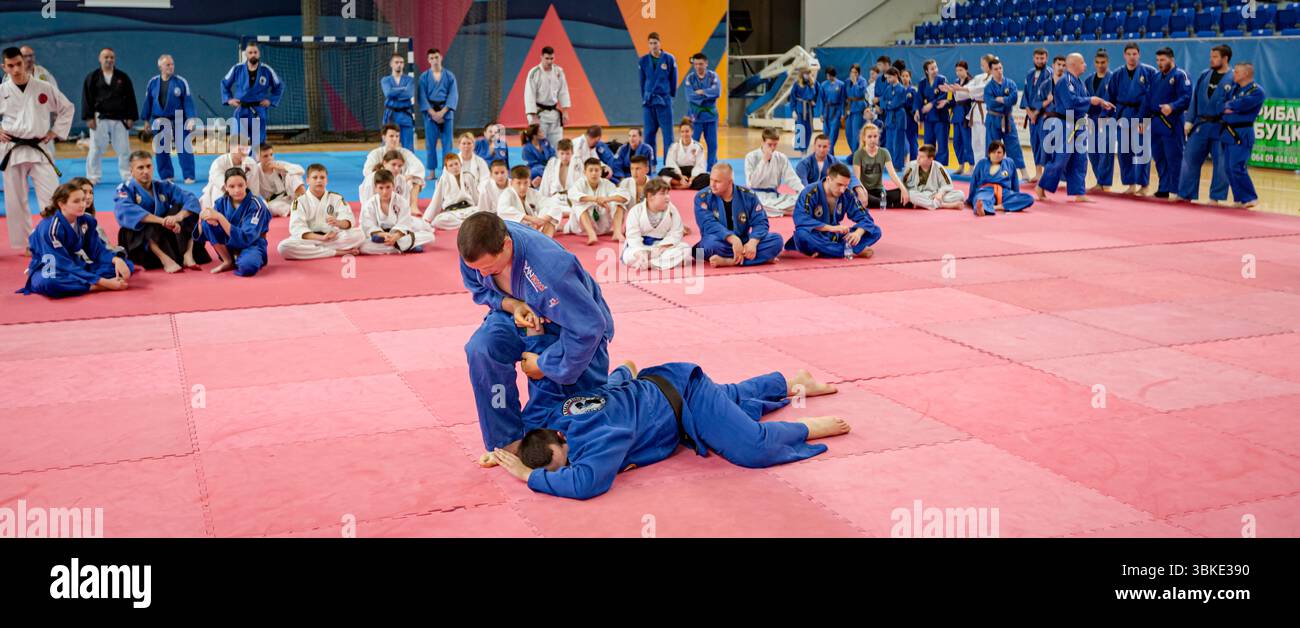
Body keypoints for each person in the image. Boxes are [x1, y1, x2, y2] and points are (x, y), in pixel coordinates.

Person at [488, 358, 845, 501]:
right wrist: (508, 450)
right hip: (659, 387)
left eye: (565, 461)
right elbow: (603, 394)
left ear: (563, 438)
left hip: (683, 394)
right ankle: (792, 382)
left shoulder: (597, 439)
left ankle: (806, 427)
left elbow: (586, 484)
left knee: (751, 448)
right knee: (731, 400)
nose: (572, 466)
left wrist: (526, 476)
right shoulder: (557, 416)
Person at [458, 212, 615, 454]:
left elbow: (589, 329)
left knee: (583, 414)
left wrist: (545, 365)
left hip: (572, 323)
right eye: (477, 268)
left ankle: (623, 376)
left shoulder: (551, 268)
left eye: (489, 267)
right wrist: (513, 305)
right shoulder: (474, 251)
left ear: (507, 245)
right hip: (515, 312)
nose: (484, 273)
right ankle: (506, 441)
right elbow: (479, 288)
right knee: (482, 349)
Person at [1, 46, 74, 254]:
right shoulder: (2, 91)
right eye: (10, 66)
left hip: (38, 146)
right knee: (15, 199)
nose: (16, 69)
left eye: (18, 64)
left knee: (52, 194)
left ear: (25, 63)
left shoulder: (43, 86)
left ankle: (54, 236)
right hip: (11, 148)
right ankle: (27, 243)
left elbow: (67, 108)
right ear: (4, 67)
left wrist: (55, 131)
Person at [18, 182, 133, 298]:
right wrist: (105, 283)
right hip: (50, 266)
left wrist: (116, 260)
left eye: (83, 200)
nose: (82, 204)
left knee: (125, 265)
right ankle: (94, 287)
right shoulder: (50, 228)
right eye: (76, 201)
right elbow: (62, 263)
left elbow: (97, 251)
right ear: (62, 204)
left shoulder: (86, 220)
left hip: (75, 263)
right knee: (51, 283)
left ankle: (85, 282)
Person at [1035, 53, 1115, 203]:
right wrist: (1092, 100)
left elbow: (1086, 106)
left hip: (1078, 124)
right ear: (1074, 65)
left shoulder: (1079, 82)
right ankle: (1041, 186)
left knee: (1080, 159)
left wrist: (1102, 106)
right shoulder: (1064, 82)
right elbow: (1071, 103)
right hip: (1065, 125)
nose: (1085, 65)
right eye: (1083, 62)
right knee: (1060, 159)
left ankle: (1079, 192)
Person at [114, 150, 209, 272]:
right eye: (140, 168)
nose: (146, 171)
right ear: (131, 171)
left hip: (165, 232)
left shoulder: (162, 185)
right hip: (144, 243)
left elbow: (190, 199)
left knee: (186, 209)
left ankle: (188, 254)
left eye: (148, 166)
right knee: (136, 225)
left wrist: (177, 217)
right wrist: (162, 221)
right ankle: (165, 260)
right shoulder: (124, 189)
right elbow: (125, 211)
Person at [784, 162, 880, 259]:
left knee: (875, 230)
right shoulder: (810, 192)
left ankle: (826, 251)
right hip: (816, 235)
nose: (842, 189)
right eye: (839, 184)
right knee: (802, 235)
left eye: (846, 185)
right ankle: (850, 250)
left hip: (836, 236)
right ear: (829, 179)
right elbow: (801, 220)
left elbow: (865, 217)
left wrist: (857, 233)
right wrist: (832, 228)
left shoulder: (847, 194)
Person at [694, 163, 784, 267]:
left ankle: (728, 261)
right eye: (711, 180)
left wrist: (753, 242)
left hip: (744, 242)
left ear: (730, 182)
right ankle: (758, 259)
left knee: (777, 241)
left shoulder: (748, 196)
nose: (712, 185)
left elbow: (761, 222)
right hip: (718, 241)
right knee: (706, 246)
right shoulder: (702, 197)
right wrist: (732, 239)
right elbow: (708, 224)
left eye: (717, 181)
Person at [1177, 44, 1233, 205]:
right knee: (1189, 159)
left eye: (1215, 57)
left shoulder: (1234, 78)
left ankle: (1215, 197)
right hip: (1200, 124)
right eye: (1211, 56)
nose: (1211, 59)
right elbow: (1194, 100)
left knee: (1221, 163)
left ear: (1225, 58)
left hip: (1221, 126)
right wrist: (1188, 121)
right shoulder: (1204, 75)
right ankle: (1185, 193)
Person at [277, 163, 364, 260]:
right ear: (307, 181)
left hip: (333, 238)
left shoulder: (336, 198)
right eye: (315, 177)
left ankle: (316, 251)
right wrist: (321, 238)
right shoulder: (299, 202)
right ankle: (336, 252)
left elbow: (349, 220)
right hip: (310, 239)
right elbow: (297, 229)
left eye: (322, 177)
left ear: (326, 180)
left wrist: (338, 222)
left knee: (359, 234)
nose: (319, 180)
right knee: (284, 247)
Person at [194, 168, 271, 276]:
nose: (237, 190)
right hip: (229, 247)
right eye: (232, 186)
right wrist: (203, 218)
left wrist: (220, 217)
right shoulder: (221, 203)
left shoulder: (257, 205)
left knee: (248, 266)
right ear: (226, 187)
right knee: (208, 221)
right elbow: (205, 233)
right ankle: (228, 260)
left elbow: (247, 238)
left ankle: (242, 258)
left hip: (252, 245)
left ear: (246, 184)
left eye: (240, 185)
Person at [1107, 43, 1157, 194]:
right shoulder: (1117, 74)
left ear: (1139, 55)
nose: (1131, 57)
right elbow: (1111, 97)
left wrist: (1146, 119)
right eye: (1128, 54)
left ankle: (1144, 185)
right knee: (1124, 152)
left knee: (1142, 152)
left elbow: (1154, 97)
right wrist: (1110, 118)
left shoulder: (1149, 72)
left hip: (1142, 114)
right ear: (1124, 55)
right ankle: (1130, 184)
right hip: (1123, 115)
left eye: (1134, 54)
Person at [81, 48, 137, 184]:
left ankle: (127, 175)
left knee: (124, 148)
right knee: (96, 148)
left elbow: (130, 97)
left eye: (111, 57)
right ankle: (93, 176)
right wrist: (88, 117)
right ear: (100, 59)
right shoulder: (92, 77)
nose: (109, 60)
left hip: (120, 117)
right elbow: (86, 98)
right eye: (106, 57)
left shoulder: (122, 77)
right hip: (99, 117)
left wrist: (131, 117)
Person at [139, 54, 197, 183]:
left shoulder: (181, 82)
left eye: (172, 64)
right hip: (159, 120)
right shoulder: (153, 82)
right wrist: (146, 120)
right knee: (161, 149)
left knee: (184, 147)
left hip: (179, 119)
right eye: (168, 65)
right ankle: (167, 175)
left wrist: (191, 118)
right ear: (160, 66)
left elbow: (188, 101)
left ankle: (189, 175)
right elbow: (148, 102)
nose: (171, 67)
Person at [1145, 47, 1191, 200]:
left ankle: (1178, 190)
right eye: (1157, 60)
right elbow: (1147, 99)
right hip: (1155, 121)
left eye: (1162, 60)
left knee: (1175, 157)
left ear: (1172, 59)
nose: (1159, 63)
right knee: (1159, 158)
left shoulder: (1180, 75)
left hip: (1172, 122)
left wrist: (1172, 106)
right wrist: (1141, 120)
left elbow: (1186, 98)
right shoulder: (1156, 77)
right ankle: (1163, 188)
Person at [1217, 62, 1264, 208]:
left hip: (1242, 133)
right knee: (1228, 168)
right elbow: (1220, 104)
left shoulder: (1256, 91)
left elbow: (1243, 104)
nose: (1233, 74)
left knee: (1237, 166)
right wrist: (1229, 106)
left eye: (1236, 72)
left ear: (1246, 74)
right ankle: (1239, 198)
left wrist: (1231, 106)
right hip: (1228, 132)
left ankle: (1250, 197)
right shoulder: (1234, 88)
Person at [220, 41, 282, 147]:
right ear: (246, 54)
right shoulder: (237, 68)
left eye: (255, 52)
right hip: (242, 109)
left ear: (259, 54)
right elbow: (224, 83)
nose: (253, 54)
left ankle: (257, 163)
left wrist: (270, 100)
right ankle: (238, 163)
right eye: (250, 52)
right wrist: (229, 99)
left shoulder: (266, 70)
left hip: (258, 109)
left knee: (258, 144)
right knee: (239, 142)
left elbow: (279, 85)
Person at [620, 178, 690, 270]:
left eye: (667, 193)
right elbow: (633, 237)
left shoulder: (672, 210)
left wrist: (661, 248)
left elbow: (676, 233)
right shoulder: (636, 211)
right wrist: (641, 253)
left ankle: (650, 264)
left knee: (685, 249)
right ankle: (653, 261)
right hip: (639, 248)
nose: (667, 197)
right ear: (650, 196)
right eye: (662, 194)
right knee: (629, 256)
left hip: (662, 248)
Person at [359, 169, 434, 254]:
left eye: (388, 187)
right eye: (381, 188)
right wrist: (383, 235)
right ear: (375, 188)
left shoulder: (401, 201)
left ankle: (399, 245)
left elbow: (405, 222)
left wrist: (396, 236)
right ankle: (407, 245)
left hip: (397, 235)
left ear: (393, 186)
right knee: (363, 247)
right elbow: (369, 226)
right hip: (380, 236)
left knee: (430, 236)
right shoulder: (370, 204)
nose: (385, 192)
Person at [984, 57, 1029, 182]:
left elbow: (1013, 100)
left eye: (1000, 68)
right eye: (996, 69)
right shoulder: (988, 87)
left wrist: (1002, 99)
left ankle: (1023, 172)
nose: (999, 71)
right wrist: (1005, 100)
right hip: (993, 119)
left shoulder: (1010, 83)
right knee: (992, 146)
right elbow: (991, 103)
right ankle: (992, 173)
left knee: (1013, 145)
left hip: (1007, 119)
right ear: (991, 71)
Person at [743, 128, 804, 216]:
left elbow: (791, 178)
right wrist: (764, 161)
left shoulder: (781, 157)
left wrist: (804, 192)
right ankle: (785, 211)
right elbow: (752, 183)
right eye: (769, 144)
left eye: (775, 145)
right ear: (762, 142)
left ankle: (775, 211)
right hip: (757, 197)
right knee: (752, 205)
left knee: (799, 200)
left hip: (775, 198)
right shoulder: (751, 157)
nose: (772, 148)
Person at [565, 158, 627, 244]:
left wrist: (606, 199)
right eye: (590, 170)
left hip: (602, 226)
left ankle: (617, 232)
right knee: (579, 204)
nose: (594, 173)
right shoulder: (580, 183)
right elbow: (571, 194)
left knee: (618, 202)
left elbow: (624, 196)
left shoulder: (607, 183)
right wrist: (596, 199)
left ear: (601, 172)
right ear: (585, 172)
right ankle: (591, 234)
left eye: (596, 170)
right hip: (582, 228)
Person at [418, 48, 458, 178]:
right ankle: (432, 172)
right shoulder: (424, 77)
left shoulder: (449, 76)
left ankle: (447, 171)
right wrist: (432, 113)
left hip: (446, 112)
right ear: (428, 61)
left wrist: (442, 112)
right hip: (430, 114)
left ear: (441, 57)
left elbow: (453, 95)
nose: (434, 60)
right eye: (432, 58)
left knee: (448, 144)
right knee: (430, 143)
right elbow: (422, 97)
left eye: (436, 57)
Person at [968, 140, 1034, 216]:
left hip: (1005, 192)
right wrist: (971, 198)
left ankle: (997, 207)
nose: (996, 154)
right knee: (980, 199)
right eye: (993, 152)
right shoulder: (982, 163)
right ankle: (982, 209)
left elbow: (1014, 181)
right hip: (986, 191)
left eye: (999, 152)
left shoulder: (1009, 163)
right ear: (989, 153)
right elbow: (974, 181)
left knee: (1028, 198)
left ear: (1003, 154)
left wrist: (1016, 194)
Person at [639, 33, 677, 162]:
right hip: (649, 101)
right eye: (651, 43)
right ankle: (650, 163)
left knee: (668, 135)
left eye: (655, 43)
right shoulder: (643, 60)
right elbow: (641, 81)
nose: (653, 46)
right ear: (648, 45)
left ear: (660, 43)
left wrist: (670, 95)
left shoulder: (669, 59)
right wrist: (644, 96)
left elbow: (673, 78)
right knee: (648, 134)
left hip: (663, 101)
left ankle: (669, 164)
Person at [853, 123, 908, 209]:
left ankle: (883, 203)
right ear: (864, 138)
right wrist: (863, 193)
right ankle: (888, 204)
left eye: (875, 136)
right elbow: (857, 179)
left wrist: (903, 189)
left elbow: (892, 174)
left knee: (903, 193)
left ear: (878, 137)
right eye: (869, 137)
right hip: (864, 191)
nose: (873, 139)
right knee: (858, 197)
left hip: (879, 191)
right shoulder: (858, 154)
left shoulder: (884, 152)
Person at [524, 46, 570, 147]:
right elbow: (529, 95)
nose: (549, 61)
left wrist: (565, 111)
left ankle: (556, 162)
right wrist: (533, 116)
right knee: (540, 144)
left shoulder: (558, 71)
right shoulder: (534, 73)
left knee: (557, 144)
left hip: (554, 113)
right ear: (541, 57)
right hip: (539, 113)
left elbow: (563, 91)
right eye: (547, 58)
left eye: (552, 58)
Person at [1083, 49, 1116, 192]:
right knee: (1092, 151)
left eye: (1103, 62)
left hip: (1107, 119)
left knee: (1106, 151)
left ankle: (1104, 182)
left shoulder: (1114, 78)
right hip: (1091, 119)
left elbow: (1115, 99)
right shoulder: (1089, 80)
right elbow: (1084, 99)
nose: (1100, 65)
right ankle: (1100, 181)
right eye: (1097, 62)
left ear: (1107, 62)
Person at [362, 123, 427, 194]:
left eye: (397, 136)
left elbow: (418, 167)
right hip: (381, 185)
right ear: (384, 137)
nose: (395, 139)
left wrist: (407, 177)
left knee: (416, 181)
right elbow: (367, 171)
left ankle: (413, 204)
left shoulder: (405, 153)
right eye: (391, 136)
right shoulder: (375, 153)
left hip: (400, 184)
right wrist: (384, 178)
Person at [684, 51, 721, 171]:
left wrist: (702, 92)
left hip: (710, 116)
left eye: (700, 64)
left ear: (706, 64)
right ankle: (693, 168)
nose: (698, 67)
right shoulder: (690, 78)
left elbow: (717, 92)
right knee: (693, 145)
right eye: (695, 64)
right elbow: (690, 97)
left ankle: (712, 169)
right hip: (695, 116)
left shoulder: (713, 76)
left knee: (712, 145)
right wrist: (708, 94)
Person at [425, 152, 481, 230]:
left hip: (469, 209)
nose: (454, 167)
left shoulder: (468, 176)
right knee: (437, 221)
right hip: (452, 213)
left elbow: (475, 196)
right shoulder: (443, 180)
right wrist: (427, 218)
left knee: (482, 213)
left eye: (456, 164)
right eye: (451, 165)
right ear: (446, 168)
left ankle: (467, 223)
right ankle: (466, 223)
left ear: (460, 164)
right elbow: (436, 200)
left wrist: (481, 208)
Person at [497, 165, 557, 236]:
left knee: (550, 219)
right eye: (518, 183)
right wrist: (531, 219)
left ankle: (545, 241)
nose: (522, 187)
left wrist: (542, 220)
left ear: (529, 181)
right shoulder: (507, 194)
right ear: (511, 183)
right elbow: (503, 210)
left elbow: (553, 205)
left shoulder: (532, 192)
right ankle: (541, 240)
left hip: (534, 227)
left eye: (525, 183)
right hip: (515, 231)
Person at [901, 144, 965, 210]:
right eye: (918, 155)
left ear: (931, 159)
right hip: (918, 193)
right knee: (911, 195)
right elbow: (903, 183)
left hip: (935, 194)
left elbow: (947, 184)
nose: (918, 158)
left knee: (960, 194)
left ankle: (924, 204)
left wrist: (940, 193)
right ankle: (944, 205)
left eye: (922, 157)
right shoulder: (911, 166)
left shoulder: (939, 167)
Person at [1021, 48, 1051, 183]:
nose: (1039, 61)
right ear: (1034, 59)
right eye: (1037, 58)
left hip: (1044, 115)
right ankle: (1038, 173)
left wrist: (1036, 113)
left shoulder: (1050, 74)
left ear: (1046, 59)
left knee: (1046, 144)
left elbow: (1050, 97)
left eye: (1042, 58)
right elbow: (1026, 96)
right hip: (1032, 115)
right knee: (1035, 144)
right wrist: (1029, 112)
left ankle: (1047, 174)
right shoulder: (1029, 74)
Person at [359, 150, 420, 214]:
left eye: (399, 166)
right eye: (393, 164)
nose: (397, 168)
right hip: (373, 214)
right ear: (384, 163)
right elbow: (367, 204)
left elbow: (405, 204)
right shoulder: (372, 179)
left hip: (395, 215)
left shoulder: (401, 180)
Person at [252, 143, 305, 217]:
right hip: (275, 202)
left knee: (294, 174)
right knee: (270, 207)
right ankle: (297, 209)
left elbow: (301, 170)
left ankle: (304, 204)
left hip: (292, 196)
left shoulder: (278, 164)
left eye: (271, 154)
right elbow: (253, 191)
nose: (270, 158)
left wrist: (281, 168)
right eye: (265, 156)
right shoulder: (255, 171)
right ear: (257, 158)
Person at [915, 59, 950, 167]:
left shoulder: (942, 79)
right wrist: (917, 110)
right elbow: (918, 98)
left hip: (940, 116)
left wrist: (931, 104)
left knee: (942, 142)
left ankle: (941, 167)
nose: (935, 70)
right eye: (932, 68)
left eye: (935, 67)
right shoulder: (922, 83)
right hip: (928, 118)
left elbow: (943, 96)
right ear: (926, 71)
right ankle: (929, 165)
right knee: (928, 142)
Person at [539, 138, 581, 222]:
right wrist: (541, 200)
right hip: (556, 200)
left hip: (571, 201)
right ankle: (560, 214)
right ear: (557, 153)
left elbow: (582, 184)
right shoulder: (552, 163)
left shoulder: (578, 164)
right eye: (562, 153)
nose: (565, 157)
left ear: (572, 153)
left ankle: (560, 214)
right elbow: (545, 184)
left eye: (567, 153)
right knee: (544, 210)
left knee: (580, 211)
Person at [381, 53, 417, 151]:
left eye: (401, 62)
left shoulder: (410, 80)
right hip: (391, 115)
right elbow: (388, 93)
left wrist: (395, 91)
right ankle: (387, 165)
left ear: (404, 64)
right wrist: (403, 89)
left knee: (408, 147)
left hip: (405, 115)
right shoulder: (385, 80)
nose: (399, 65)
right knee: (388, 146)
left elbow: (409, 94)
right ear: (391, 64)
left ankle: (409, 166)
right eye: (396, 62)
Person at [946, 60, 975, 175]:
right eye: (957, 70)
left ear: (966, 70)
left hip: (966, 113)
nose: (958, 72)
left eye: (961, 70)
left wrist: (959, 91)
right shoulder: (956, 82)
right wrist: (946, 102)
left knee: (967, 141)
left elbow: (972, 97)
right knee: (956, 141)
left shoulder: (971, 82)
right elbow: (953, 101)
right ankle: (961, 165)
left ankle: (972, 166)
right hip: (957, 113)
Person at [662, 118, 707, 189]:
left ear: (692, 132)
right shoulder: (674, 146)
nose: (684, 134)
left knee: (708, 178)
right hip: (678, 174)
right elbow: (671, 163)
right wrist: (680, 177)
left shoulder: (698, 146)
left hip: (693, 174)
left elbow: (700, 165)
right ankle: (680, 184)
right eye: (682, 132)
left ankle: (683, 185)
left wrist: (692, 178)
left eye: (687, 131)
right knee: (662, 173)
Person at [880, 67, 909, 171]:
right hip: (889, 117)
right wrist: (887, 103)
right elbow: (882, 101)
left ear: (896, 76)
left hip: (899, 117)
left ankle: (897, 165)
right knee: (889, 142)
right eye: (887, 77)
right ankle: (889, 164)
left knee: (898, 143)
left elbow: (895, 104)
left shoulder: (901, 89)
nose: (888, 80)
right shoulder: (888, 88)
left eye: (889, 77)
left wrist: (888, 103)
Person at [818, 67, 846, 157]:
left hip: (836, 110)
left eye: (829, 75)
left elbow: (842, 100)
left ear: (833, 75)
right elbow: (821, 100)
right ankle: (829, 154)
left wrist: (842, 113)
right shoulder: (823, 85)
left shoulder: (841, 84)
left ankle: (829, 154)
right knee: (826, 133)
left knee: (833, 133)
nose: (828, 77)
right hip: (826, 110)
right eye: (827, 75)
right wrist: (821, 114)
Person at [790, 67, 818, 154]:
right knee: (800, 129)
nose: (807, 75)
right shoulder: (796, 84)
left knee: (809, 129)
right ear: (802, 74)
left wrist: (813, 101)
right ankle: (801, 150)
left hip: (809, 109)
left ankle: (805, 148)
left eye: (808, 74)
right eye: (806, 74)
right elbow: (792, 98)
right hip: (800, 109)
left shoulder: (812, 83)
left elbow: (815, 94)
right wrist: (793, 110)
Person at [899, 67, 919, 163]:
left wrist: (917, 116)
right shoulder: (899, 89)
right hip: (901, 118)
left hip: (911, 118)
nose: (904, 78)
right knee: (902, 140)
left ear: (910, 77)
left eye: (907, 76)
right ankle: (904, 159)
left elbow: (916, 104)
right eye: (902, 76)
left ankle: (914, 160)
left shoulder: (913, 90)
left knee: (912, 140)